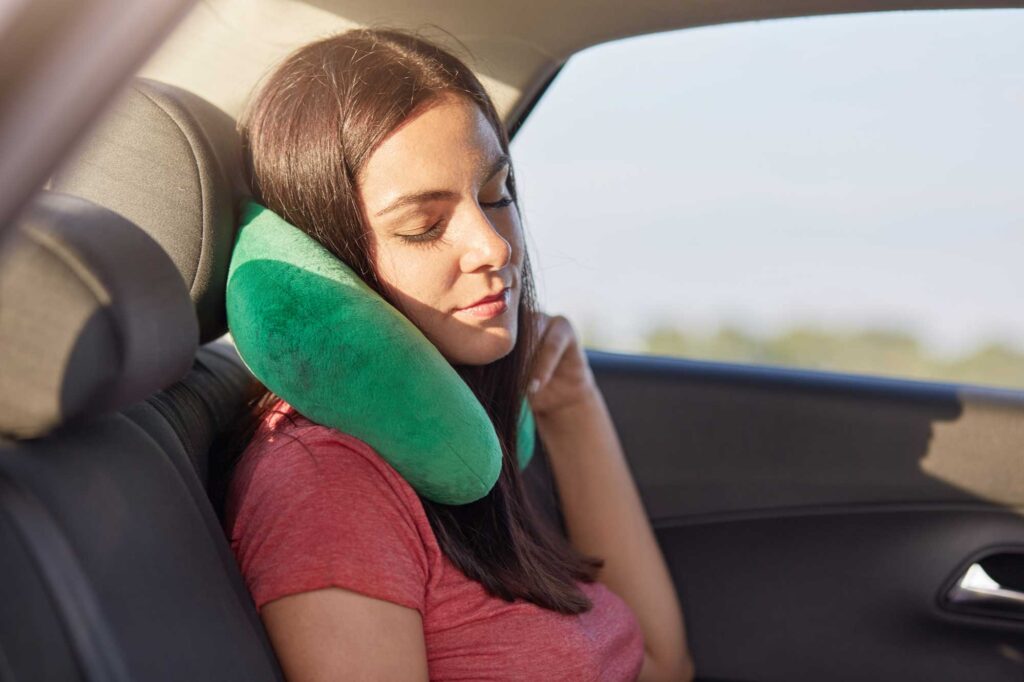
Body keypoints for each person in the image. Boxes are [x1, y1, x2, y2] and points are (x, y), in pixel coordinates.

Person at [224, 28, 694, 681]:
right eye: (424, 226)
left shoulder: (465, 442)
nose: (495, 247)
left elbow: (663, 666)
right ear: (333, 259)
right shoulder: (328, 485)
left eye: (496, 195)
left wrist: (572, 406)